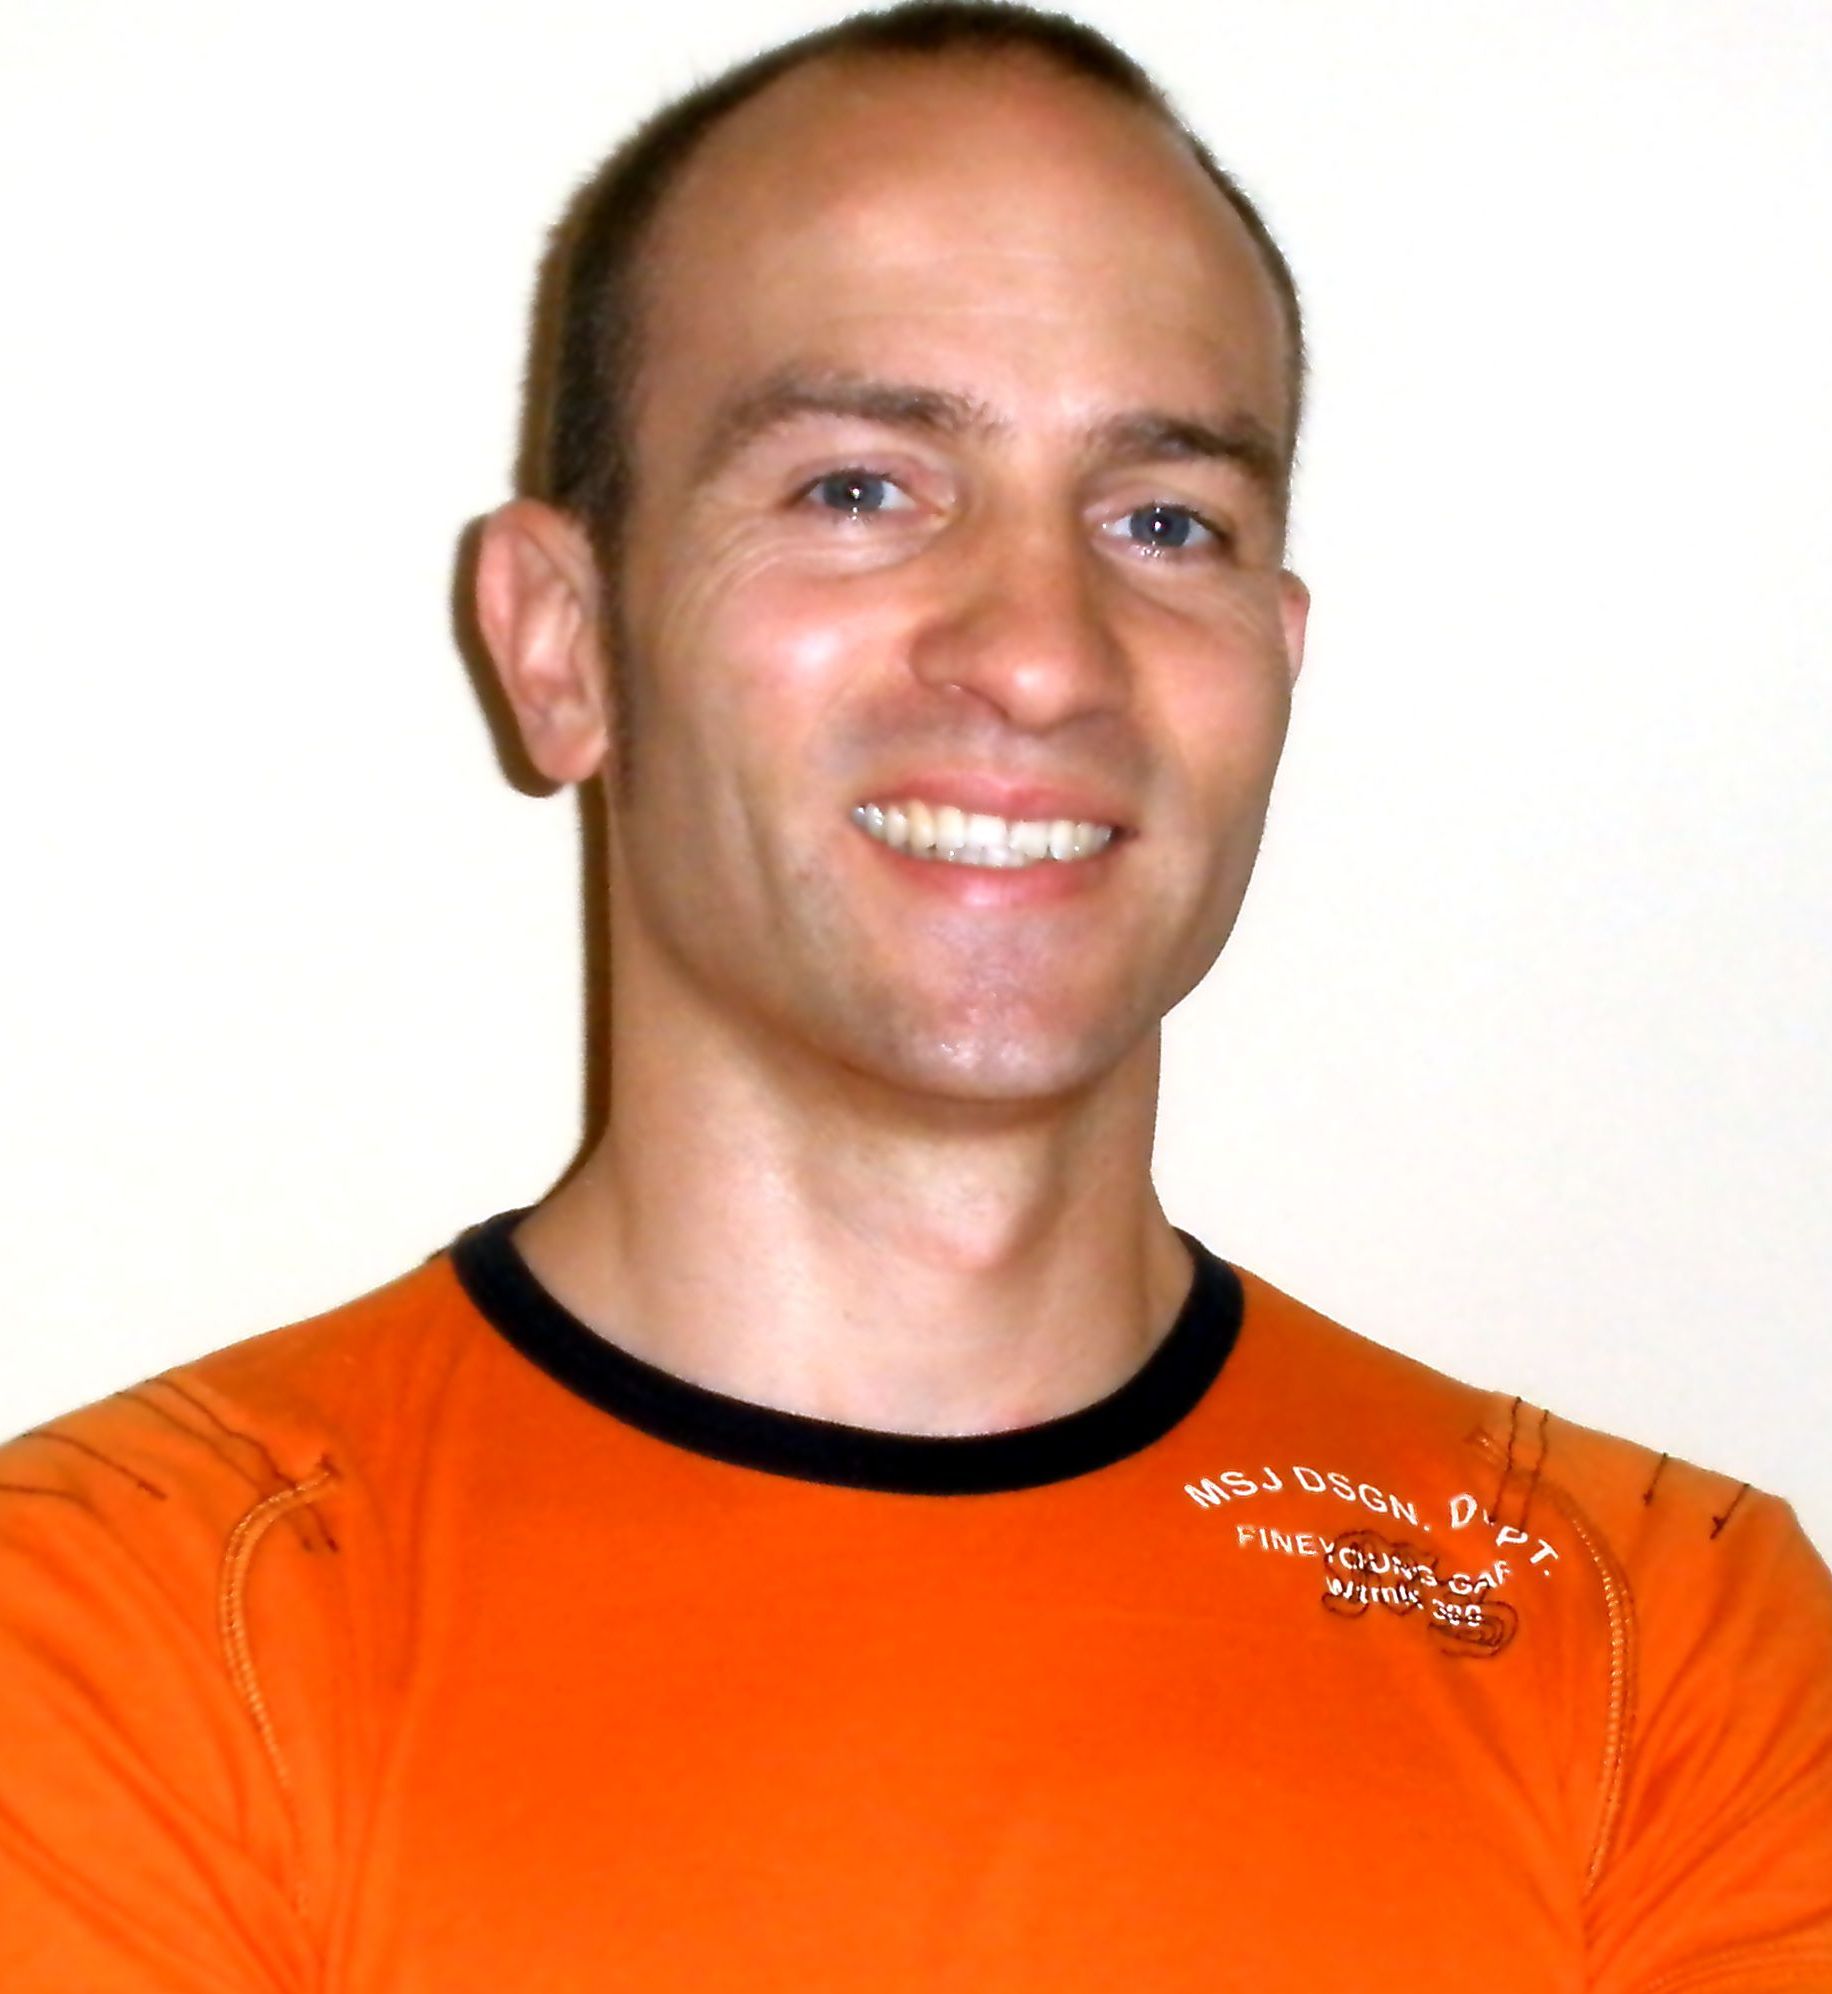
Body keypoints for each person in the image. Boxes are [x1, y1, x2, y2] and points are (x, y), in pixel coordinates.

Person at [3, 2, 1829, 1985]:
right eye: (859, 488)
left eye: (1165, 521)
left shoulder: (1658, 1647)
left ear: (1276, 658)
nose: (1041, 654)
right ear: (561, 643)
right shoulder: (114, 1635)